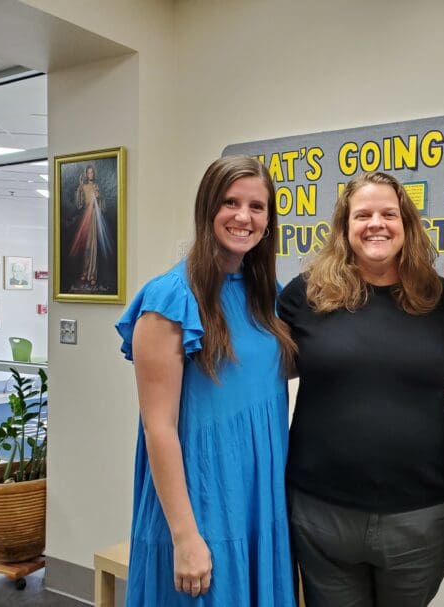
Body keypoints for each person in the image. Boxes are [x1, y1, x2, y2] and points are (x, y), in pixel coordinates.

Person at [278, 171, 444, 607]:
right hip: (322, 514)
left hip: (417, 518)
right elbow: (256, 361)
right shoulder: (305, 295)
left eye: (389, 214)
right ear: (345, 228)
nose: (376, 223)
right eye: (362, 214)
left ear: (407, 225)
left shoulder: (443, 300)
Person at [115, 155, 297, 606]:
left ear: (269, 220)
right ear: (206, 209)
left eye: (257, 207)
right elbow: (158, 427)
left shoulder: (265, 296)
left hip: (260, 497)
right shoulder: (169, 299)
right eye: (230, 202)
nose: (243, 217)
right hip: (203, 501)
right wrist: (185, 536)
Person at [71, 164, 112, 286]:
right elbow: (79, 203)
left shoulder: (96, 187)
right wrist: (79, 188)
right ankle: (85, 272)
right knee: (86, 247)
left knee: (93, 247)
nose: (90, 175)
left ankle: (93, 274)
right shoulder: (83, 187)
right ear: (86, 174)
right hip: (85, 218)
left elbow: (103, 206)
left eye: (92, 173)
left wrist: (99, 198)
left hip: (95, 217)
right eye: (88, 173)